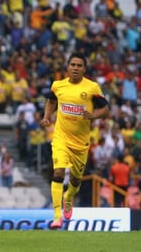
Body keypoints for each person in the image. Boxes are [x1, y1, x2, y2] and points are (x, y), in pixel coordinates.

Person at [40, 52, 109, 229]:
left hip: (81, 142)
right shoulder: (58, 85)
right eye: (73, 65)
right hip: (61, 137)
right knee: (58, 173)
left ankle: (68, 197)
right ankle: (57, 216)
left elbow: (106, 110)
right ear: (68, 67)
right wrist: (47, 116)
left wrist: (93, 115)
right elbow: (50, 101)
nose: (75, 68)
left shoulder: (92, 88)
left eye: (79, 65)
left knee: (76, 181)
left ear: (84, 69)